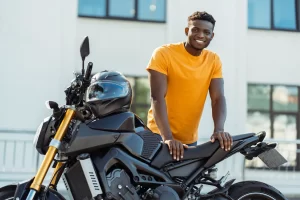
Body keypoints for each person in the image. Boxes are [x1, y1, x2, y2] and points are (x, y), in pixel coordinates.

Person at [146, 11, 233, 161]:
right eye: (195, 30)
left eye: (207, 32)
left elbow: (218, 98)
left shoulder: (213, 60)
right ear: (187, 31)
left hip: (189, 140)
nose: (201, 35)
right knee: (154, 183)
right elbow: (157, 98)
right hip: (158, 136)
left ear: (212, 36)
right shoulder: (163, 53)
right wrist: (167, 138)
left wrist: (219, 130)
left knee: (184, 185)